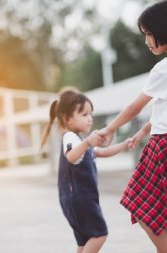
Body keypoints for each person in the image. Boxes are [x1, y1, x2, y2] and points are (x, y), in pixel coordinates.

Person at [98, 1, 167, 252]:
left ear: (165, 29)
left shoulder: (166, 68)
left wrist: (110, 128)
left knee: (146, 212)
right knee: (160, 219)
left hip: (165, 147)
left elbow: (134, 108)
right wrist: (142, 131)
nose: (147, 40)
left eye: (149, 33)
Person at [41, 88, 131, 253]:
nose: (90, 119)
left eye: (91, 114)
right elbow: (71, 156)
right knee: (99, 234)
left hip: (77, 199)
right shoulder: (70, 137)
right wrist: (87, 143)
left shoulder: (80, 141)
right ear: (67, 119)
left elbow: (102, 152)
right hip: (79, 198)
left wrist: (124, 145)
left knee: (84, 241)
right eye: (84, 115)